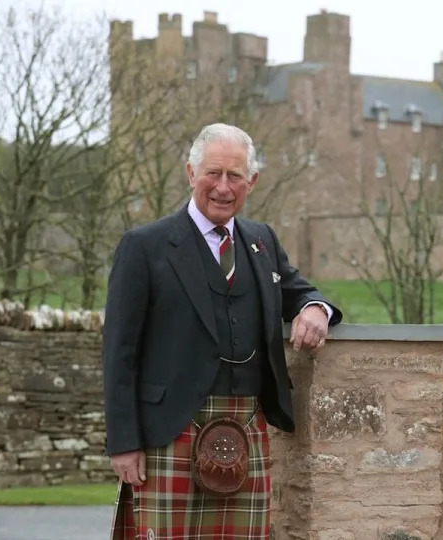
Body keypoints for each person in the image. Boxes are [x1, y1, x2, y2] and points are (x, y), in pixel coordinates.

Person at [103, 123, 342, 539]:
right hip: (169, 430)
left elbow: (298, 291)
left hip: (246, 425)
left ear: (252, 181)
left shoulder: (260, 240)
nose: (223, 187)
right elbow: (118, 353)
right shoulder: (145, 246)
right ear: (190, 173)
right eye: (213, 173)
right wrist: (123, 442)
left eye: (235, 176)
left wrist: (315, 309)